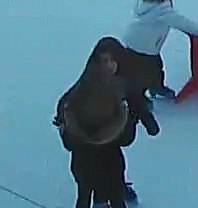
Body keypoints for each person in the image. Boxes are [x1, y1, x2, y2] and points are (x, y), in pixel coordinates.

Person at [53, 38, 160, 207]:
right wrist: (64, 120)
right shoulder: (88, 82)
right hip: (85, 149)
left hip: (110, 146)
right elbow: (68, 102)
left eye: (112, 60)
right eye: (103, 61)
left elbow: (137, 101)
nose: (108, 65)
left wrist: (149, 123)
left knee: (114, 187)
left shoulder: (125, 83)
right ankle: (101, 199)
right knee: (86, 191)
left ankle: (106, 197)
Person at [120, 0, 198, 101]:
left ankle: (154, 88)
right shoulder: (160, 9)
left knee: (152, 68)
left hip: (134, 41)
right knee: (145, 73)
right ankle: (141, 98)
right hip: (144, 48)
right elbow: (180, 21)